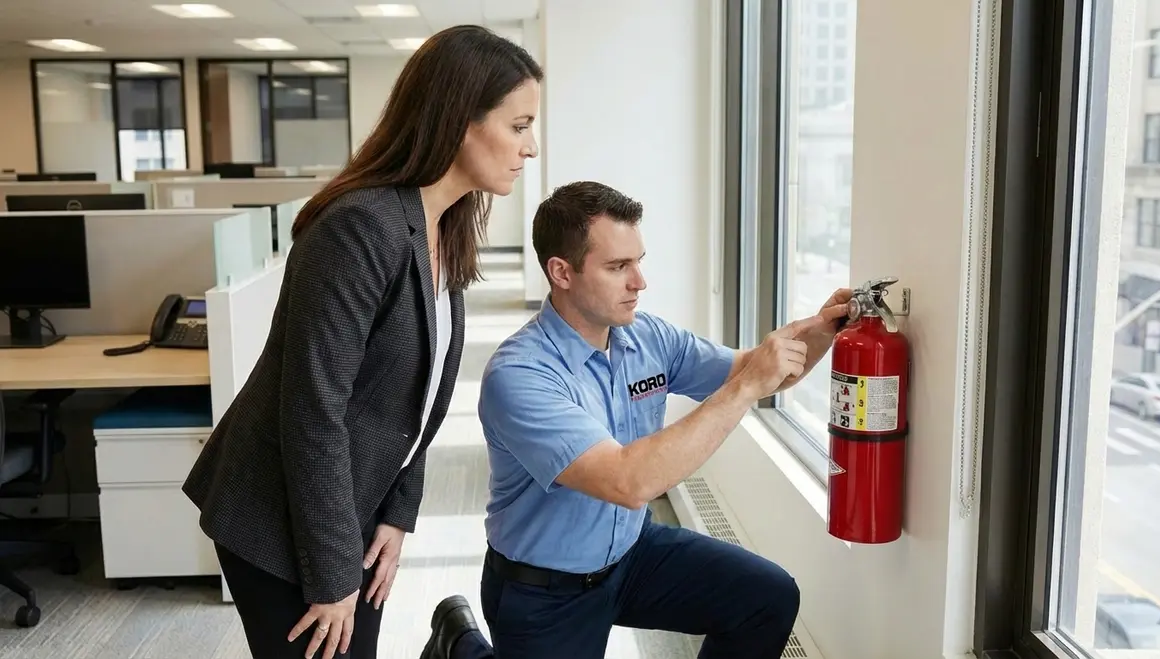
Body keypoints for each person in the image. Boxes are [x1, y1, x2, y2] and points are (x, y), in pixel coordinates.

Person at [180, 25, 543, 659]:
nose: (530, 147)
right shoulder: (358, 228)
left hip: (356, 504)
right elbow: (313, 411)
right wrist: (330, 573)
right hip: (279, 517)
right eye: (518, 126)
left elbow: (418, 397)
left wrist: (398, 512)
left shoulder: (443, 225)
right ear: (462, 121)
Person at [419, 181, 851, 659]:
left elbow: (757, 371)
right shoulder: (520, 374)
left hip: (632, 555)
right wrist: (747, 386)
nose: (639, 281)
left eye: (638, 261)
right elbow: (627, 480)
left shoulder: (647, 337)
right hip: (545, 590)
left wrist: (823, 330)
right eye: (618, 266)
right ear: (561, 272)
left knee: (766, 598)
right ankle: (458, 642)